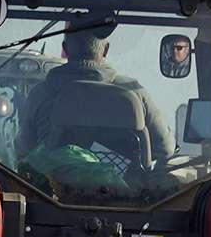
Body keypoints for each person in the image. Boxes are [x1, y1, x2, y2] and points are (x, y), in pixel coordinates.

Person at [22, 22, 175, 164]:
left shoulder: (40, 94)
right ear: (106, 50)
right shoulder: (134, 91)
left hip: (51, 184)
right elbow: (165, 149)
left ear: (65, 49)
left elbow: (23, 153)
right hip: (124, 185)